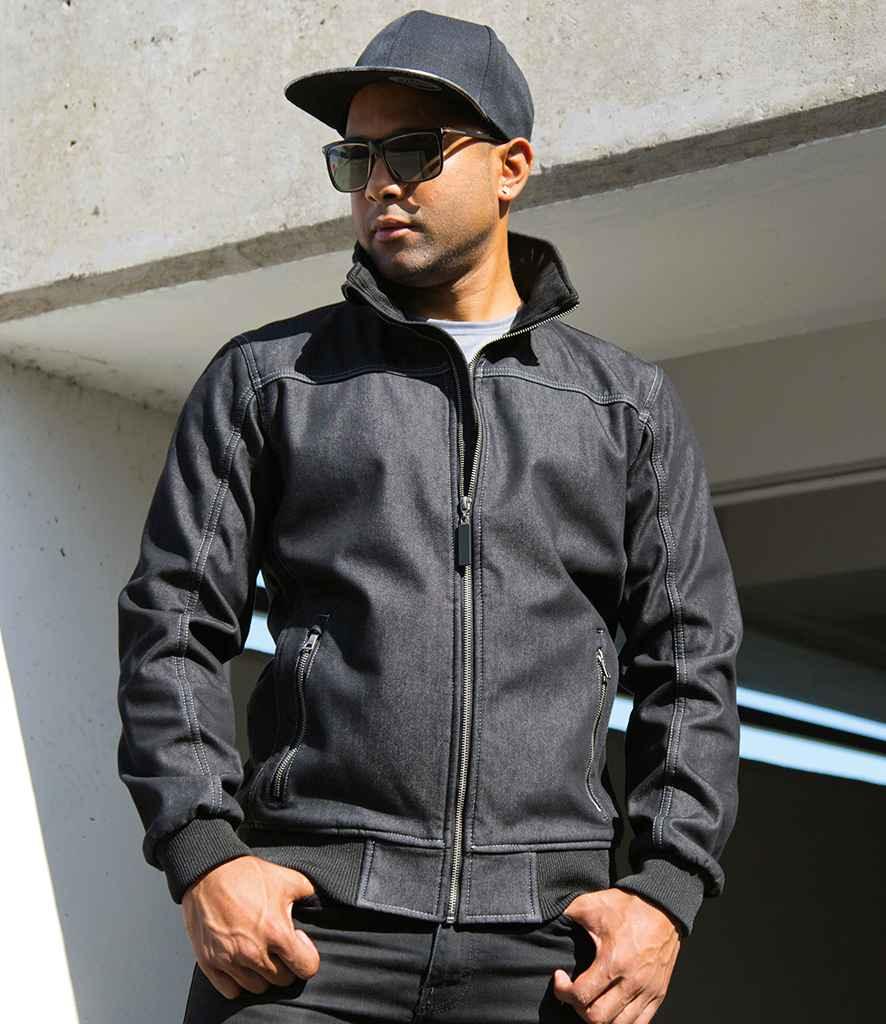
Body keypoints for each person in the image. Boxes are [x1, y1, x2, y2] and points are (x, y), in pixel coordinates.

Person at [116, 10, 743, 1023]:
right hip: (308, 941)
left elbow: (689, 661)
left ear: (511, 167)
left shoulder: (622, 405)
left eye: (413, 150)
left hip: (546, 948)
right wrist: (205, 854)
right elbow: (171, 628)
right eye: (355, 158)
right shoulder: (269, 381)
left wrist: (666, 889)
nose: (379, 183)